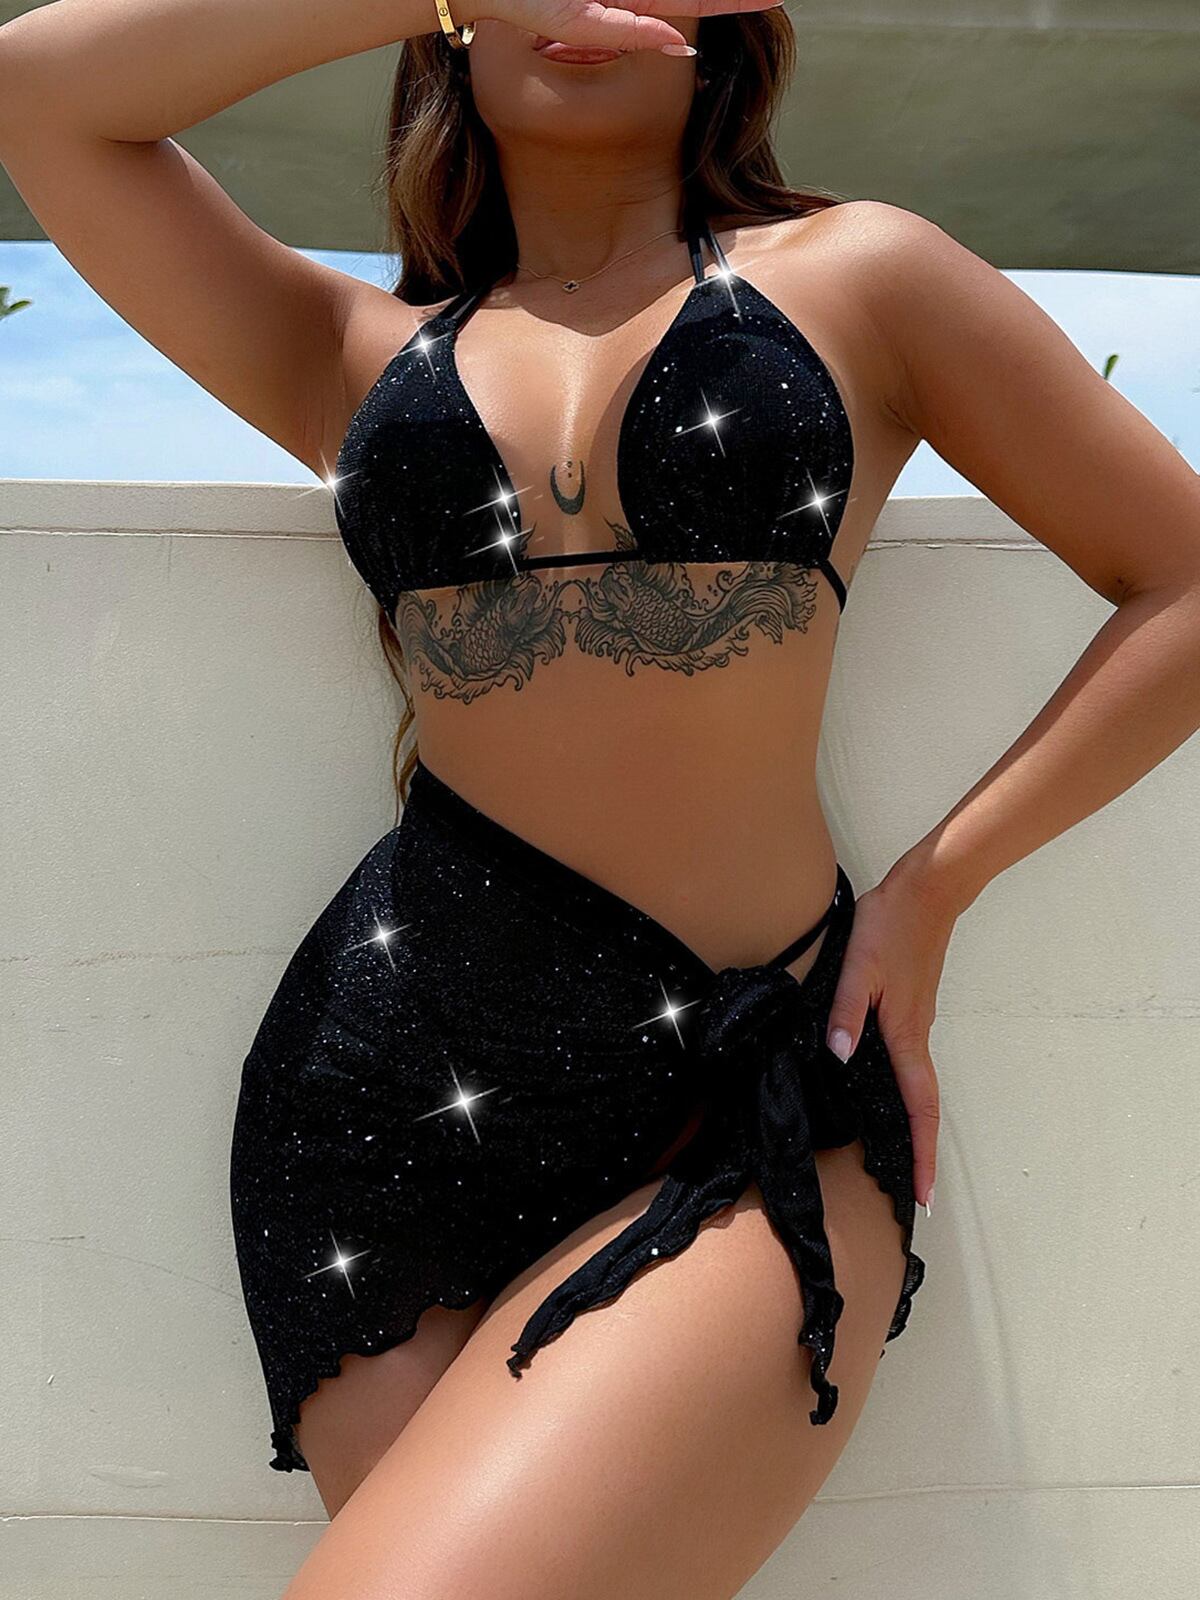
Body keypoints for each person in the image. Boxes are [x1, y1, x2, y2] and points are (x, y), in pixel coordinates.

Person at [3, 2, 1198, 1595]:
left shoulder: (864, 277)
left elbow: (1181, 580)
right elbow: (41, 91)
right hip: (383, 1105)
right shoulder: (349, 350)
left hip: (744, 1089)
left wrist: (937, 885)